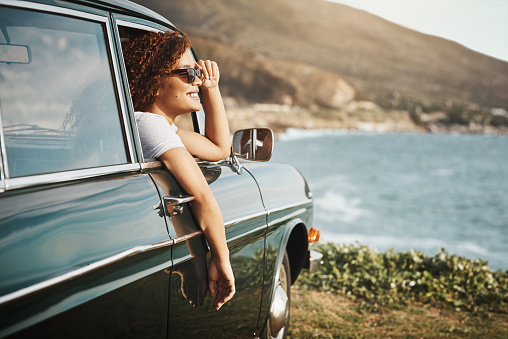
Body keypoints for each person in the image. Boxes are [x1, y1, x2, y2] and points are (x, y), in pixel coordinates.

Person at [122, 30, 234, 310]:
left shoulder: (155, 127)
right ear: (155, 80)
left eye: (197, 73)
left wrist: (211, 88)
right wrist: (221, 261)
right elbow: (202, 196)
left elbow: (220, 149)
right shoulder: (149, 125)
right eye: (188, 74)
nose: (196, 80)